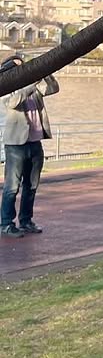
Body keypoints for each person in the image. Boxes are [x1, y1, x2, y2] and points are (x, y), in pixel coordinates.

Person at [1, 54, 59, 238]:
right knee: (12, 187)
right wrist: (31, 82)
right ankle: (6, 224)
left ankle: (26, 221)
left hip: (35, 143)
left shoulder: (34, 90)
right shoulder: (6, 88)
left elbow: (53, 88)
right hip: (16, 145)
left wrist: (46, 72)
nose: (23, 70)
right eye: (18, 68)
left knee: (31, 185)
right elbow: (13, 103)